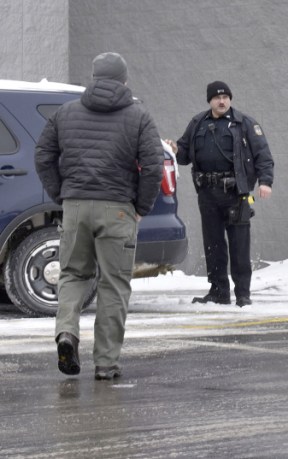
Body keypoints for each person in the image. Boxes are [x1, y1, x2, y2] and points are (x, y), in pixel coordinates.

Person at [35, 52, 164, 380]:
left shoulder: (66, 112)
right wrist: (141, 207)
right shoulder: (139, 116)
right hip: (118, 208)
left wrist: (62, 194)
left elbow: (43, 155)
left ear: (93, 77)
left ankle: (67, 333)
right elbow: (152, 166)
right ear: (124, 79)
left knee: (72, 275)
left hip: (76, 206)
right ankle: (106, 365)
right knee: (114, 285)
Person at [166, 81, 275, 307]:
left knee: (239, 245)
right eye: (217, 98)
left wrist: (265, 182)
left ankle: (242, 293)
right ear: (210, 101)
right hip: (207, 193)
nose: (222, 101)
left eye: (225, 97)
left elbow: (263, 154)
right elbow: (185, 154)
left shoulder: (244, 123)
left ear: (230, 99)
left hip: (236, 193)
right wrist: (175, 149)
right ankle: (218, 291)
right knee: (213, 245)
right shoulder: (198, 123)